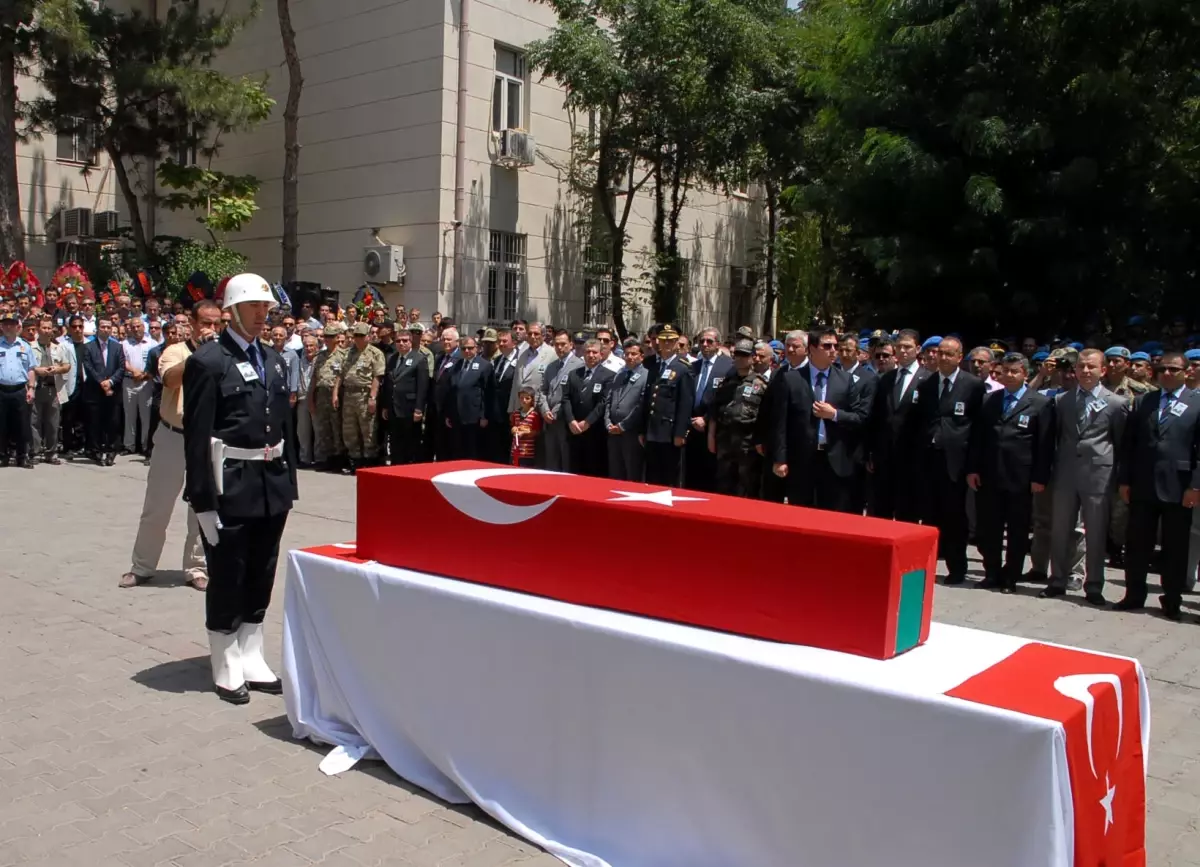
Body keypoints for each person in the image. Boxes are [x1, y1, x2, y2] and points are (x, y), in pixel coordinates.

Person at [183, 274, 297, 704]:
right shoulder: (209, 361)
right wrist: (202, 502)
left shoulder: (274, 358)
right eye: (252, 306)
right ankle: (225, 658)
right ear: (231, 310)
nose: (261, 313)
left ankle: (251, 652)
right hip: (228, 484)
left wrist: (289, 483)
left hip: (270, 485)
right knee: (228, 573)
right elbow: (197, 437)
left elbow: (284, 426)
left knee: (262, 570)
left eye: (265, 306)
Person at [122, 300, 219, 590]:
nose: (212, 329)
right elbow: (170, 380)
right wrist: (199, 356)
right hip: (172, 437)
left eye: (217, 324)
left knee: (201, 510)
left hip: (206, 442)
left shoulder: (223, 355)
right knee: (157, 507)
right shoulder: (175, 351)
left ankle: (197, 568)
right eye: (206, 323)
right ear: (192, 322)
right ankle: (142, 566)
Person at [1115, 352, 1199, 619]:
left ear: (1187, 372)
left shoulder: (1197, 403)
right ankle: (1134, 594)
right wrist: (1125, 479)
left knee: (1175, 547)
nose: (1167, 373)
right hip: (1143, 484)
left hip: (1179, 485)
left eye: (1173, 369)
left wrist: (1195, 486)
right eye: (1162, 369)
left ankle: (1172, 598)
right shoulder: (1144, 401)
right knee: (1137, 543)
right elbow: (1129, 445)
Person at [1043, 348, 1128, 604]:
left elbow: (1120, 442)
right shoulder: (1062, 400)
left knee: (1096, 532)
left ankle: (1094, 586)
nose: (1085, 371)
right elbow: (1056, 438)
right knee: (1060, 530)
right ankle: (1057, 580)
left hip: (1098, 475)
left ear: (1103, 370)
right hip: (1067, 473)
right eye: (1081, 366)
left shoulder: (1117, 403)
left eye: (1091, 367)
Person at [966, 353, 1055, 592]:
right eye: (1005, 370)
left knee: (1017, 531)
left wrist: (1039, 477)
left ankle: (1011, 577)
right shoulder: (990, 400)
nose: (1009, 375)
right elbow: (978, 438)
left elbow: (1044, 445)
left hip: (1021, 479)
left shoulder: (1040, 403)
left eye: (1015, 371)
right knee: (989, 529)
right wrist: (973, 468)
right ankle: (991, 573)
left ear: (1025, 374)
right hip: (990, 474)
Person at [913, 336, 986, 582]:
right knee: (929, 516)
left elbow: (978, 430)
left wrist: (974, 465)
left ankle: (957, 569)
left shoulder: (973, 386)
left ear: (959, 357)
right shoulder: (926, 384)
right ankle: (927, 567)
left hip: (957, 462)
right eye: (939, 353)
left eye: (948, 354)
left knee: (955, 517)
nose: (942, 358)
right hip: (929, 459)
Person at [769, 328, 865, 511]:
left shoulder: (845, 380)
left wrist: (834, 414)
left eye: (835, 346)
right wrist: (780, 458)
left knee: (832, 518)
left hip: (834, 462)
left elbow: (859, 418)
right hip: (802, 461)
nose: (833, 350)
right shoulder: (791, 379)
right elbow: (780, 421)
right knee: (801, 514)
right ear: (812, 349)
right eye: (827, 346)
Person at [709, 339, 769, 498]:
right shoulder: (726, 383)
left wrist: (761, 442)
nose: (740, 358)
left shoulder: (761, 384)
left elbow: (766, 417)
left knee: (748, 486)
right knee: (723, 485)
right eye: (737, 355)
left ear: (753, 357)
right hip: (725, 443)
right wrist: (711, 437)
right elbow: (715, 411)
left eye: (745, 355)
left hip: (748, 445)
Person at [641, 324, 695, 486]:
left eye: (671, 341)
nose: (666, 344)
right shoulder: (654, 367)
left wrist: (680, 433)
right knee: (652, 475)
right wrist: (643, 429)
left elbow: (685, 404)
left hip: (669, 432)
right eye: (663, 340)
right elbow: (648, 400)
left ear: (677, 342)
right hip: (652, 430)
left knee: (669, 477)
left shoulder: (683, 368)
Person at [686, 328, 733, 492]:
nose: (705, 345)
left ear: (718, 344)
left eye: (709, 341)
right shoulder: (693, 366)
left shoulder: (728, 367)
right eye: (702, 341)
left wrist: (705, 419)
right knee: (691, 477)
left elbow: (726, 400)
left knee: (711, 477)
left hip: (713, 429)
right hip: (691, 428)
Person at [334, 322, 385, 472]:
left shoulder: (375, 353)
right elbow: (340, 375)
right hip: (349, 394)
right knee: (349, 431)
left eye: (361, 336)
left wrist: (372, 398)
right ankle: (354, 461)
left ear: (368, 336)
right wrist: (335, 393)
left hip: (365, 395)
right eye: (355, 336)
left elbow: (377, 377)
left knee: (368, 431)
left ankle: (369, 462)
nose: (358, 339)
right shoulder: (348, 353)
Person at [563, 338, 615, 477]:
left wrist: (587, 422)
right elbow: (566, 398)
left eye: (594, 352)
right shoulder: (574, 374)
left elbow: (603, 402)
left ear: (601, 354)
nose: (591, 355)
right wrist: (571, 420)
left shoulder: (609, 376)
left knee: (594, 470)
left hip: (595, 431)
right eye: (588, 352)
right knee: (574, 470)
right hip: (574, 430)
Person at [380, 327, 429, 466]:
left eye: (405, 341)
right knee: (395, 441)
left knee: (411, 442)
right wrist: (385, 405)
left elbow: (422, 386)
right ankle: (396, 467)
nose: (401, 343)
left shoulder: (419, 359)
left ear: (411, 342)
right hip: (394, 407)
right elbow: (388, 384)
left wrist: (419, 409)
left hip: (410, 408)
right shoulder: (391, 358)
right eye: (398, 341)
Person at [82, 317, 125, 466]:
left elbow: (121, 367)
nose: (106, 329)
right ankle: (97, 451)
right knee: (95, 423)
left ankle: (111, 450)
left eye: (108, 327)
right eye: (103, 327)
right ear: (97, 329)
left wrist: (110, 381)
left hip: (113, 391)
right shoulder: (88, 347)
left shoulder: (117, 347)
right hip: (94, 391)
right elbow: (88, 367)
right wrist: (101, 381)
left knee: (112, 422)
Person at [30, 318, 72, 464]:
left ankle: (51, 452)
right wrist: (37, 370)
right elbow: (26, 366)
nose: (47, 331)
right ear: (38, 329)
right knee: (34, 421)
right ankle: (35, 452)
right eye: (44, 328)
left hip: (53, 389)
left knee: (53, 423)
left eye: (49, 328)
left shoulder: (58, 348)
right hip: (36, 388)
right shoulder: (30, 347)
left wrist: (57, 369)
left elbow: (67, 366)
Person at [605, 339, 647, 481]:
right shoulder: (620, 374)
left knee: (632, 472)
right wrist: (607, 422)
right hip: (613, 432)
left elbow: (640, 406)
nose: (629, 357)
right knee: (615, 472)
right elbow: (608, 400)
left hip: (631, 433)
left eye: (634, 354)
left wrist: (623, 426)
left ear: (641, 356)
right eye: (627, 354)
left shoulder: (646, 376)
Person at [0, 310, 35, 467]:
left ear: (17, 326)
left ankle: (23, 456)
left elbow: (31, 369)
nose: (8, 327)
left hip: (20, 389)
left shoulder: (24, 346)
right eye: (5, 324)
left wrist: (31, 388)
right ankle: (3, 456)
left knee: (22, 425)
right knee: (2, 425)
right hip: (1, 390)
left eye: (11, 324)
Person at [448, 336, 493, 459]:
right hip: (457, 414)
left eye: (470, 348)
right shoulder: (457, 365)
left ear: (477, 348)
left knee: (473, 449)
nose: (467, 351)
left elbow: (487, 393)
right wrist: (449, 414)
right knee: (458, 449)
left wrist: (484, 416)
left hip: (474, 416)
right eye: (464, 348)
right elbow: (452, 390)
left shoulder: (485, 365)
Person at [510, 386, 542, 467]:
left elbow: (537, 431)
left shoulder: (534, 415)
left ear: (532, 400)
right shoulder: (516, 413)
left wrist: (524, 432)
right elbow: (513, 426)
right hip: (515, 451)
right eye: (521, 398)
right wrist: (514, 430)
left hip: (527, 452)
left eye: (527, 398)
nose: (524, 400)